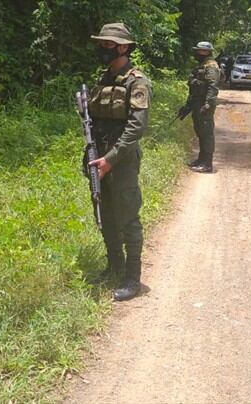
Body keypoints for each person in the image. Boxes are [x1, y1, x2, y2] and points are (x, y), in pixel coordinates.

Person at [86, 23, 153, 302]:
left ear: (123, 47)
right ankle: (114, 266)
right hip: (97, 155)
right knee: (104, 214)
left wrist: (110, 160)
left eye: (108, 44)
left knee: (127, 216)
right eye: (101, 44)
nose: (103, 49)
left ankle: (132, 278)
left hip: (121, 159)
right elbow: (93, 122)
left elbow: (136, 128)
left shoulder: (137, 82)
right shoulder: (103, 79)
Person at [178, 41, 220, 173]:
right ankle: (201, 160)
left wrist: (208, 104)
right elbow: (195, 89)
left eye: (199, 51)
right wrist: (188, 106)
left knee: (206, 133)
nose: (196, 53)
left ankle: (207, 163)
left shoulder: (211, 66)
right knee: (200, 132)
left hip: (204, 104)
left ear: (206, 52)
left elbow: (212, 87)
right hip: (197, 103)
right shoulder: (202, 65)